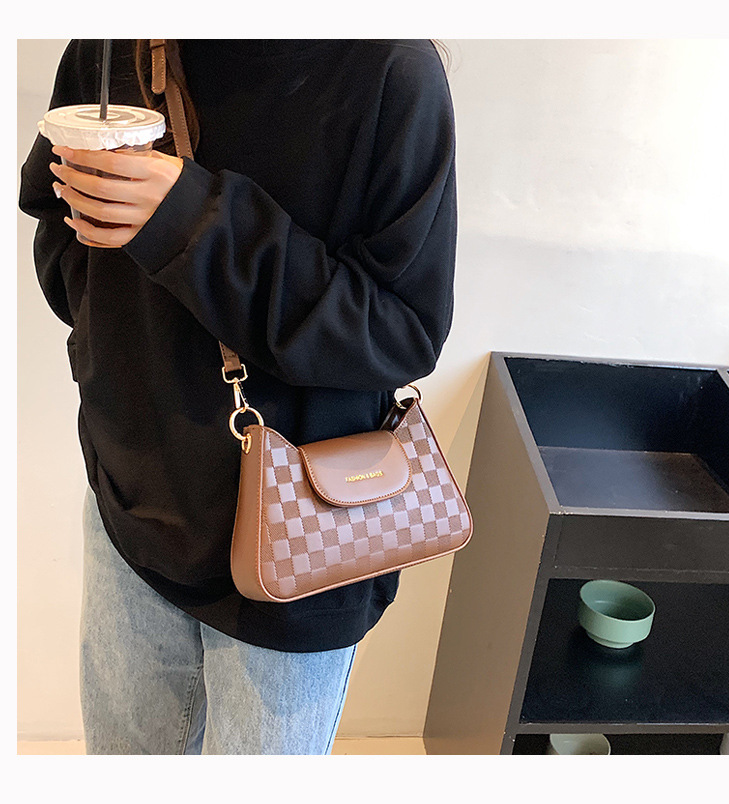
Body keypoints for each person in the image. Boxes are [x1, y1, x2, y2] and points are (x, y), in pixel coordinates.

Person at [19, 38, 457, 755]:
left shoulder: (389, 70)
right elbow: (56, 214)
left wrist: (191, 219)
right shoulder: (112, 45)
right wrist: (107, 351)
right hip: (131, 503)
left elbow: (400, 330)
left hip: (304, 539)